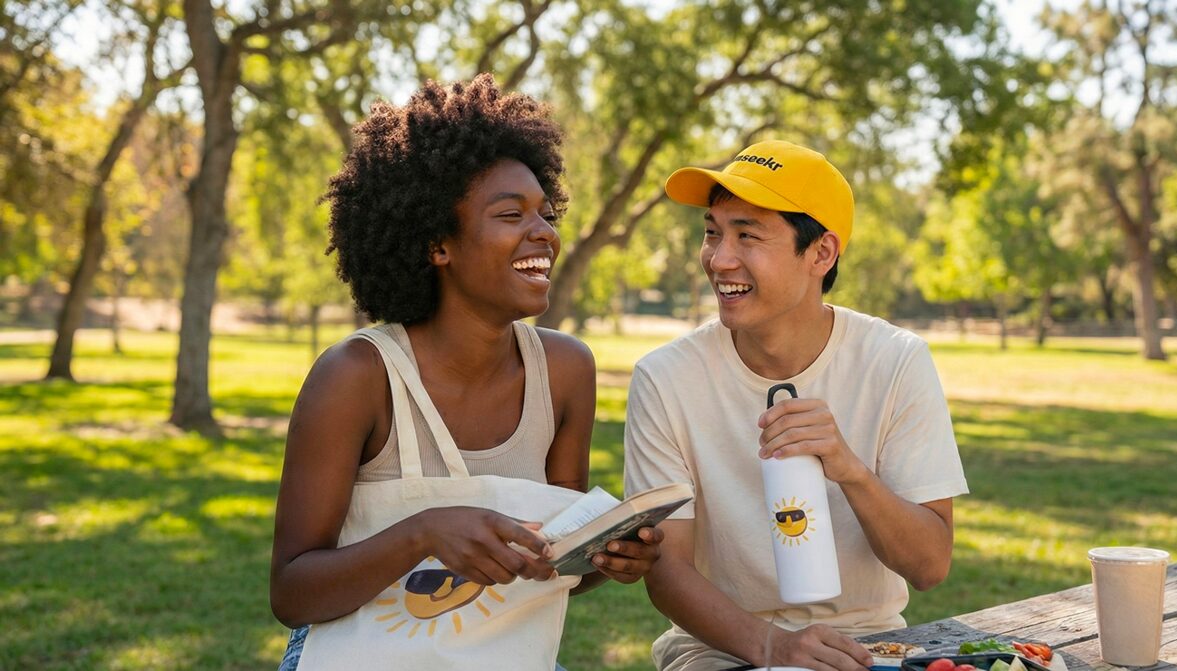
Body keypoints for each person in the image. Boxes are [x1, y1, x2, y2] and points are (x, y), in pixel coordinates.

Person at [270, 74, 663, 671]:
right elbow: (293, 593)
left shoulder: (565, 370)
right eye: (511, 214)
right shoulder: (357, 376)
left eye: (546, 212)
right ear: (437, 245)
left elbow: (550, 565)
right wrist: (423, 534)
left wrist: (602, 561)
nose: (544, 233)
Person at [623, 140, 969, 671]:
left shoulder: (895, 361)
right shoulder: (665, 378)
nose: (719, 258)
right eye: (713, 232)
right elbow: (667, 569)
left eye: (747, 235)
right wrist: (771, 647)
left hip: (869, 645)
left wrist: (851, 470)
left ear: (821, 253)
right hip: (718, 650)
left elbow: (929, 566)